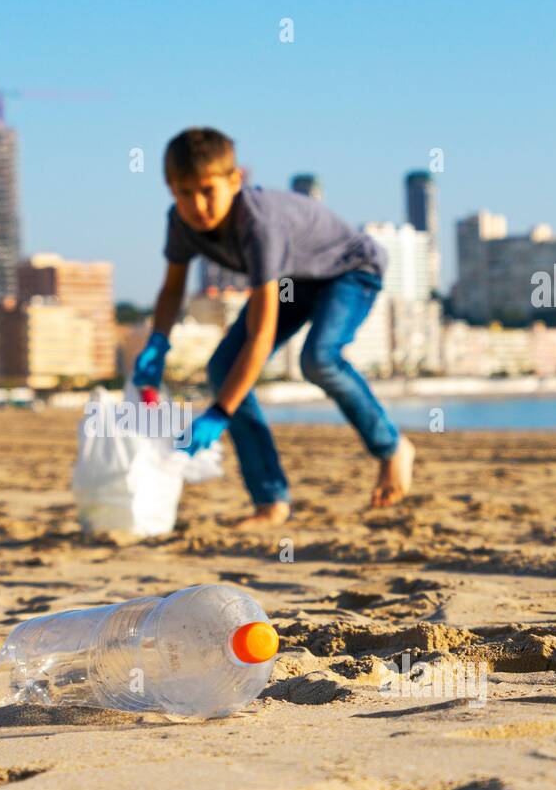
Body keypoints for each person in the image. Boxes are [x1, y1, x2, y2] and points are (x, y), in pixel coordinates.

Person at [132, 127, 415, 528]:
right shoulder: (179, 222)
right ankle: (270, 501)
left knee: (319, 358)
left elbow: (260, 336)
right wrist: (157, 343)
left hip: (350, 271)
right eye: (184, 192)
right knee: (222, 369)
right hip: (294, 281)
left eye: (207, 190)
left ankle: (393, 448)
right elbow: (172, 289)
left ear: (235, 180)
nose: (197, 205)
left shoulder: (259, 225)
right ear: (169, 189)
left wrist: (219, 413)